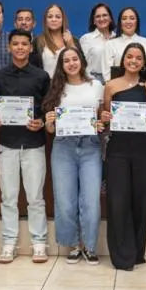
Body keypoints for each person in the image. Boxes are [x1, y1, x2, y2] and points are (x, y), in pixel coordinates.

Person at [0, 29, 50, 263]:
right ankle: (9, 243)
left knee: (35, 197)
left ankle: (39, 243)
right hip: (7, 144)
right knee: (8, 197)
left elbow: (47, 109)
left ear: (31, 48)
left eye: (24, 44)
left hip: (34, 144)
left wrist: (41, 121)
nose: (20, 47)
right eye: (16, 44)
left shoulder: (41, 76)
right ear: (8, 47)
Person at [102, 44, 146, 270]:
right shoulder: (110, 86)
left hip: (143, 148)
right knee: (118, 201)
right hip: (118, 148)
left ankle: (137, 251)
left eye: (138, 58)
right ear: (123, 59)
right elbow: (106, 120)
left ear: (144, 63)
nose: (134, 61)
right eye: (129, 56)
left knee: (141, 200)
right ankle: (120, 254)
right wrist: (105, 116)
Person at [43, 47, 104, 265]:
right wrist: (49, 121)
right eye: (66, 60)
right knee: (65, 201)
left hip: (90, 146)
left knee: (90, 200)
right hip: (63, 148)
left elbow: (103, 118)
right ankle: (74, 245)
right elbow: (50, 130)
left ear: (82, 61)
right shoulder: (56, 88)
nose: (71, 63)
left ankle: (89, 246)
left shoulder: (96, 86)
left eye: (75, 59)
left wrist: (100, 123)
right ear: (61, 65)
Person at [104, 7, 146, 81]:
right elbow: (107, 74)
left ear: (137, 22)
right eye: (124, 18)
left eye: (132, 18)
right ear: (120, 22)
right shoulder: (110, 44)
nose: (128, 21)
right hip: (117, 88)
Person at [34, 4, 81, 77]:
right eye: (50, 17)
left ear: (63, 20)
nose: (54, 20)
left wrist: (70, 44)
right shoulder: (37, 41)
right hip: (45, 86)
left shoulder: (74, 40)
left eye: (58, 17)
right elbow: (33, 67)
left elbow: (83, 64)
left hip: (68, 84)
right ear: (45, 20)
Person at [80, 3, 117, 82]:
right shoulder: (86, 39)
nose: (101, 19)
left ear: (110, 18)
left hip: (115, 81)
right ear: (94, 20)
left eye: (104, 15)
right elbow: (81, 64)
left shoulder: (118, 38)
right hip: (93, 80)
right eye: (98, 16)